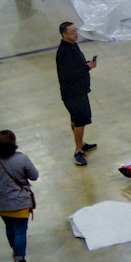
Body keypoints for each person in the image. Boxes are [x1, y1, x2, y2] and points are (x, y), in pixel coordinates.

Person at [0, 129, 39, 262]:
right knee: (20, 231)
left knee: (9, 227)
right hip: (19, 203)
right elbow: (35, 176)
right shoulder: (22, 159)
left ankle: (16, 251)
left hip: (0, 203)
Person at [56, 21, 98, 166]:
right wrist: (86, 67)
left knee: (76, 118)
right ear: (64, 34)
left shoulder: (72, 45)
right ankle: (78, 150)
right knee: (81, 120)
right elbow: (69, 75)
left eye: (76, 30)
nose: (76, 33)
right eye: (72, 32)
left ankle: (80, 142)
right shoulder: (64, 52)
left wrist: (85, 65)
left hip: (77, 91)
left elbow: (75, 66)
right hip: (73, 93)